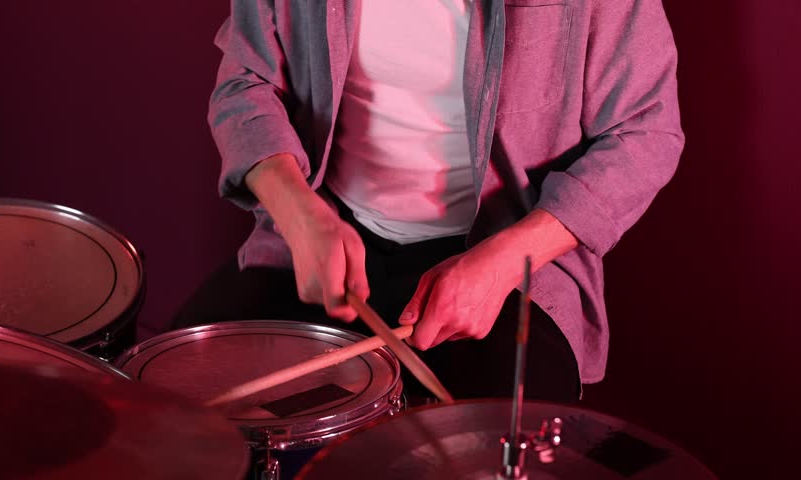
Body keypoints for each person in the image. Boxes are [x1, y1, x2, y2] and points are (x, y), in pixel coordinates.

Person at [173, 0, 683, 403]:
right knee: (170, 409)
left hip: (509, 265)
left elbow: (646, 132)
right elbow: (246, 82)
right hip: (324, 236)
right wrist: (297, 211)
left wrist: (507, 262)